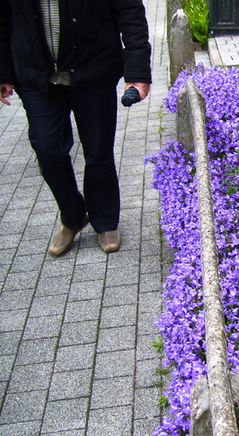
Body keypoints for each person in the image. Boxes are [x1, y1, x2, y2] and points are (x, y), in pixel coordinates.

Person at [0, 0, 152, 255]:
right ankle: (73, 216)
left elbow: (130, 11)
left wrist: (137, 72)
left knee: (98, 151)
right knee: (47, 151)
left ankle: (104, 221)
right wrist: (3, 72)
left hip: (94, 70)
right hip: (36, 75)